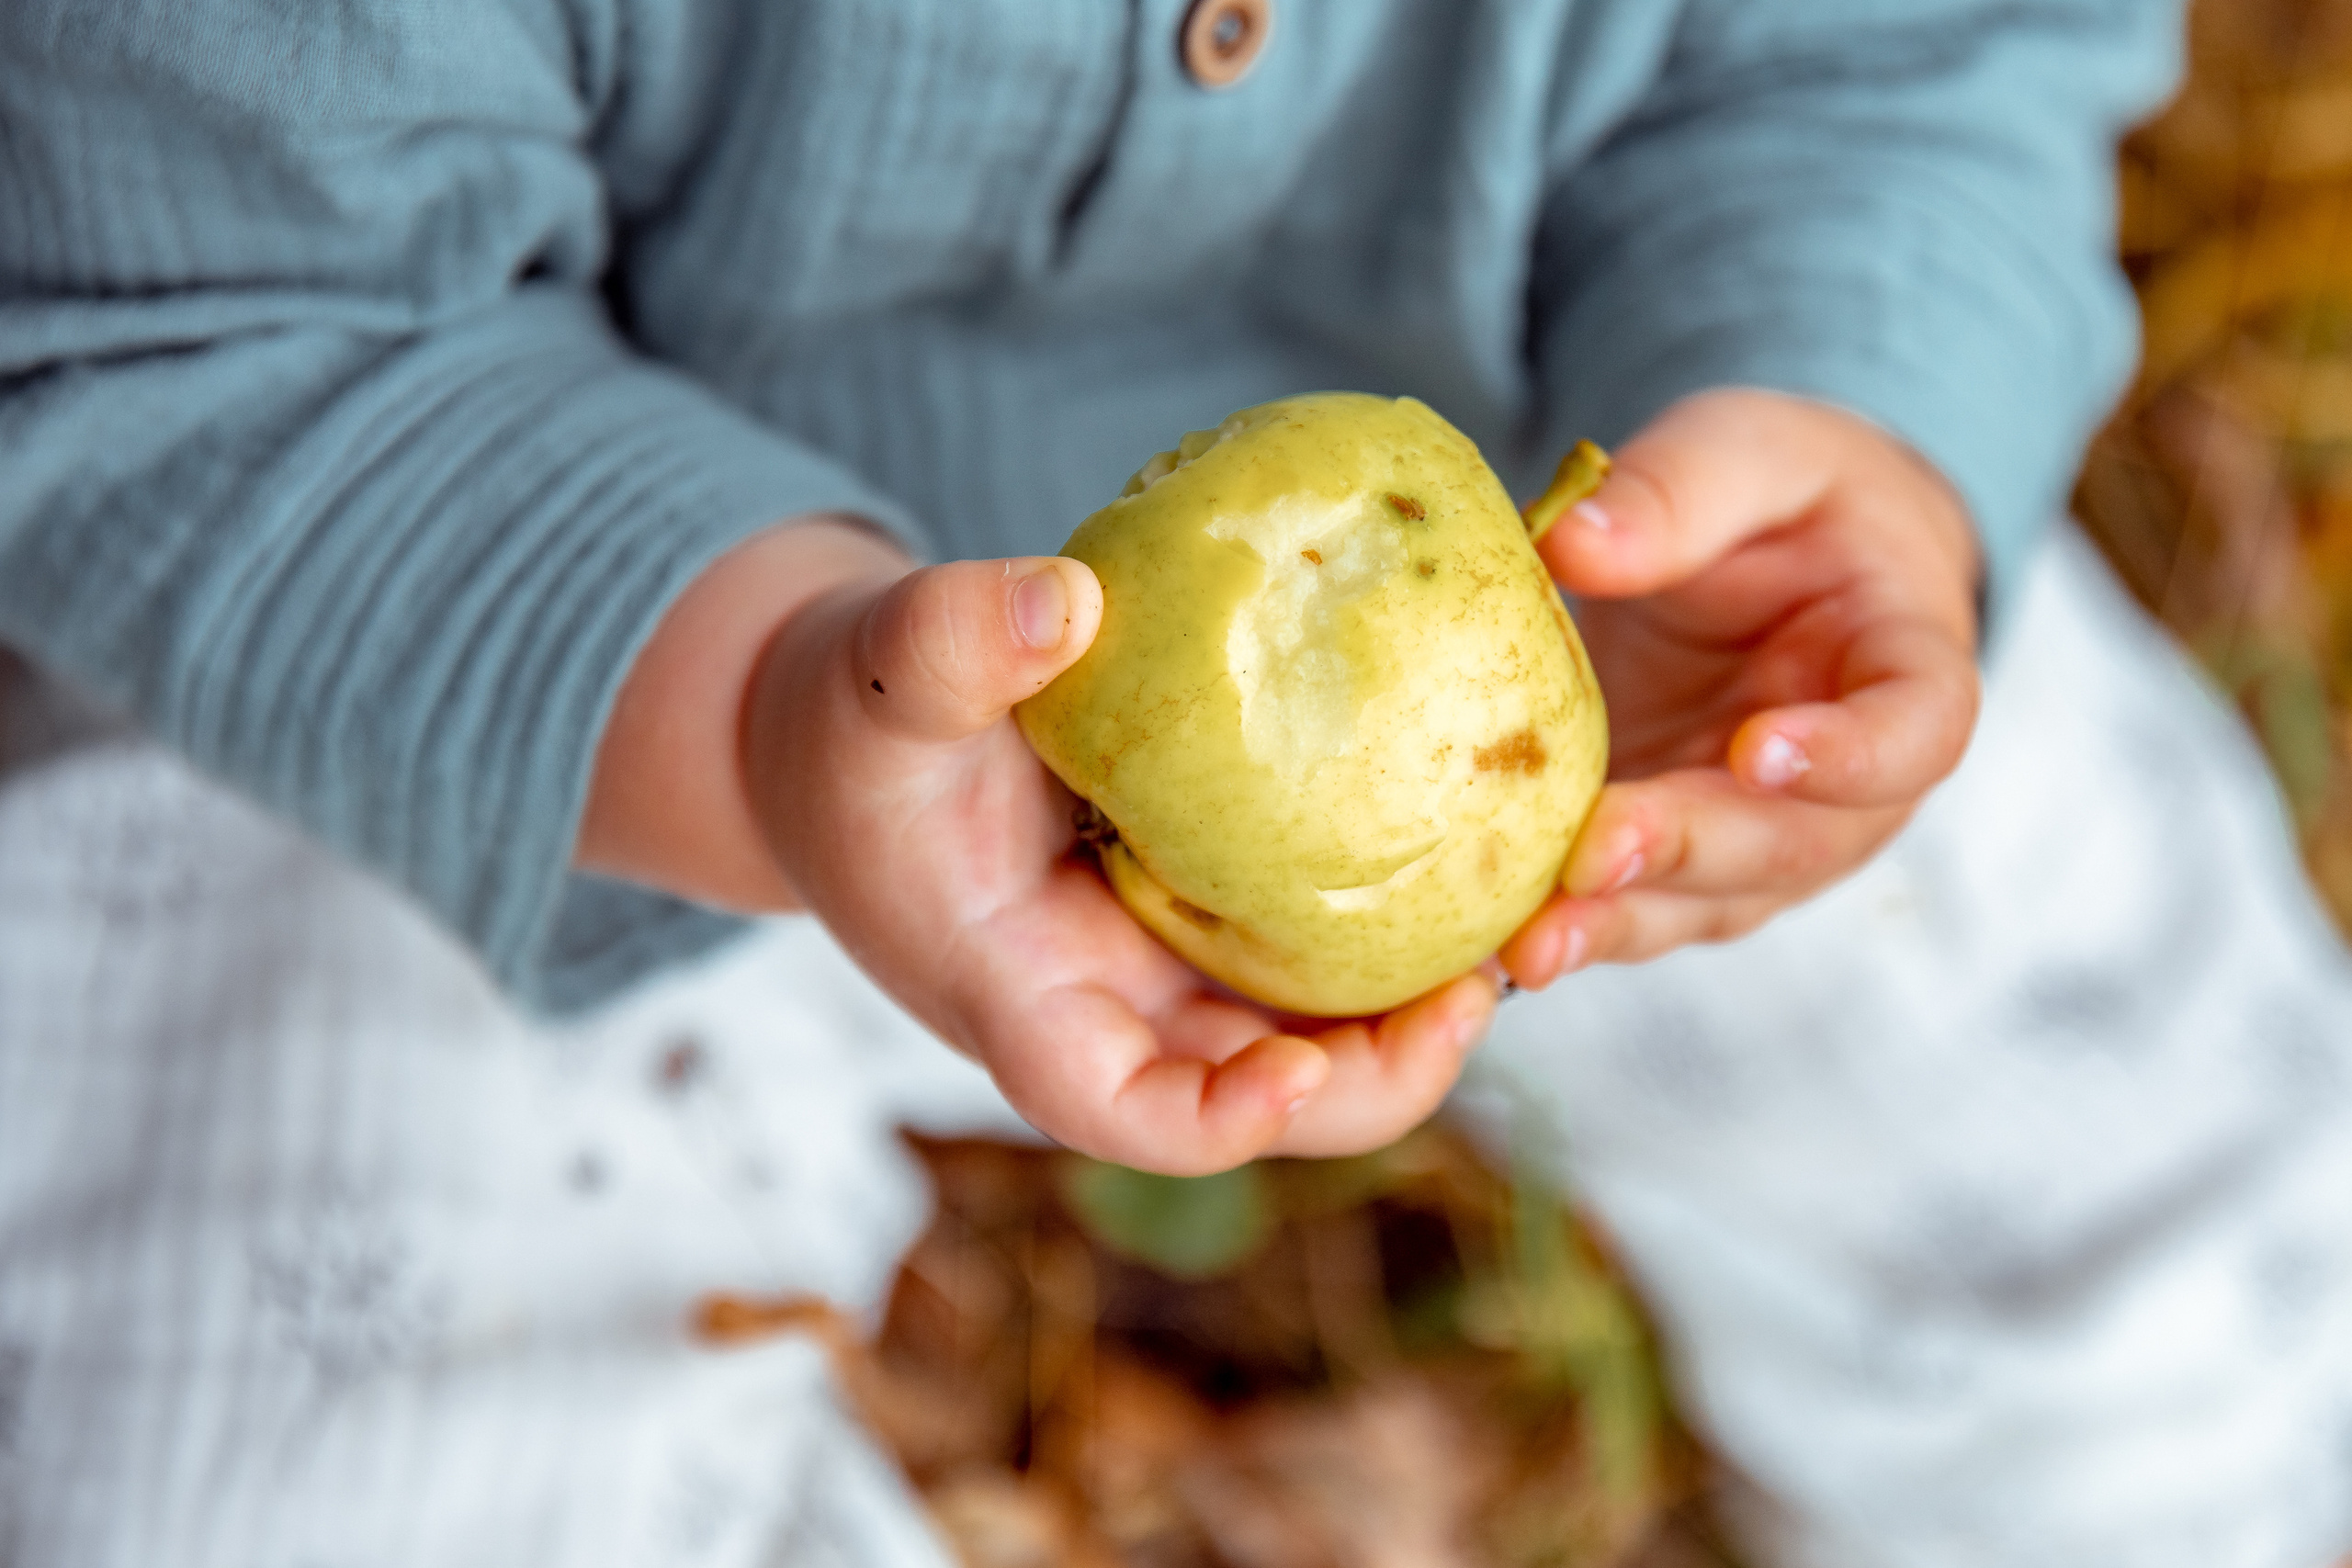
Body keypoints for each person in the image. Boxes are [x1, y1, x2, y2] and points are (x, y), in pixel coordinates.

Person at [16, 3, 2336, 1565]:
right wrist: (753, 715)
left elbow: (1895, 56)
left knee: (2140, 1170)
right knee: (316, 1454)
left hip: (1610, 609)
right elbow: (212, 321)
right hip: (510, 670)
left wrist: (1852, 405)